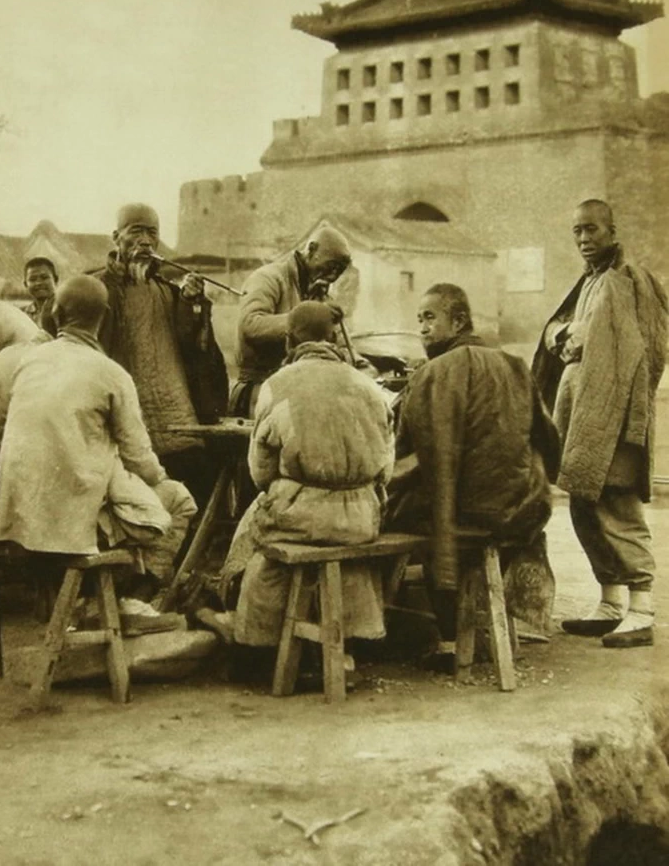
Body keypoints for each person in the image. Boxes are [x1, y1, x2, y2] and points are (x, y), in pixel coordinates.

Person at [0, 328, 196, 593]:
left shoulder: (13, 358)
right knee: (169, 500)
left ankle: (94, 599)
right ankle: (131, 599)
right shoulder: (39, 365)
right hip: (1, 511)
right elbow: (128, 458)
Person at [216, 301, 395, 670]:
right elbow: (385, 469)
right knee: (340, 552)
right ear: (332, 338)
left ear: (288, 340)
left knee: (256, 535)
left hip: (299, 514)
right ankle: (354, 637)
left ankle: (260, 643)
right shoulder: (367, 386)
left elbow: (260, 472)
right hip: (360, 520)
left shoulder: (276, 386)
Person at [388, 284, 561, 656]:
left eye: (430, 317)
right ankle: (473, 620)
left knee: (395, 510)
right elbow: (550, 439)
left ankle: (443, 638)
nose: (422, 328)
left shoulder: (433, 373)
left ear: (460, 320)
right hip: (521, 513)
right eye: (419, 319)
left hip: (464, 514)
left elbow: (405, 457)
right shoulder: (515, 365)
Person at [0, 276, 193, 580]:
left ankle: (101, 598)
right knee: (179, 500)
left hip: (17, 518)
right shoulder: (111, 373)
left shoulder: (28, 362)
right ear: (107, 318)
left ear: (55, 314)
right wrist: (158, 478)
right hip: (71, 525)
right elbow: (140, 460)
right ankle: (133, 598)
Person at [533, 199, 668, 648]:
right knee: (585, 503)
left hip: (614, 410)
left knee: (618, 503)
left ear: (612, 230)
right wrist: (565, 337)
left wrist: (570, 338)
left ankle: (641, 610)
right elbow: (558, 331)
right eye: (577, 232)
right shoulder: (589, 282)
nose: (584, 239)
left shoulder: (631, 281)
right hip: (582, 408)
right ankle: (610, 604)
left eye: (592, 230)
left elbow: (637, 349)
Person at [96, 203, 228, 504]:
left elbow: (188, 339)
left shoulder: (165, 289)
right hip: (126, 400)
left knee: (191, 474)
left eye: (151, 233)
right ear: (116, 237)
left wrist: (190, 301)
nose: (145, 241)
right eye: (136, 232)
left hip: (173, 402)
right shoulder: (99, 287)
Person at [232, 226, 352, 417]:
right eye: (330, 266)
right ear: (311, 250)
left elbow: (343, 346)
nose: (332, 276)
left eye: (340, 270)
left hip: (302, 393)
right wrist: (307, 317)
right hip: (259, 392)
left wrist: (364, 365)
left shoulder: (321, 295)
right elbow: (251, 325)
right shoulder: (269, 277)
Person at [22, 256, 58, 330]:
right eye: (32, 279)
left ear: (55, 280)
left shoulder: (66, 311)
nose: (38, 283)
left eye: (44, 277)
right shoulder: (22, 315)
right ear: (25, 284)